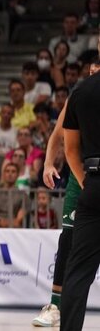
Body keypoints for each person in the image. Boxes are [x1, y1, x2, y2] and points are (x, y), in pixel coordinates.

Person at [32, 58, 100, 327]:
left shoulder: (82, 93)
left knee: (80, 266)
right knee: (68, 242)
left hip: (91, 177)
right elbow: (57, 135)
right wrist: (49, 163)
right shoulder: (79, 94)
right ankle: (55, 305)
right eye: (92, 69)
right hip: (81, 175)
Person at [54, 60, 100, 330]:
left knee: (78, 272)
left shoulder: (80, 92)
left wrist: (87, 183)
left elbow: (70, 149)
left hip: (93, 184)